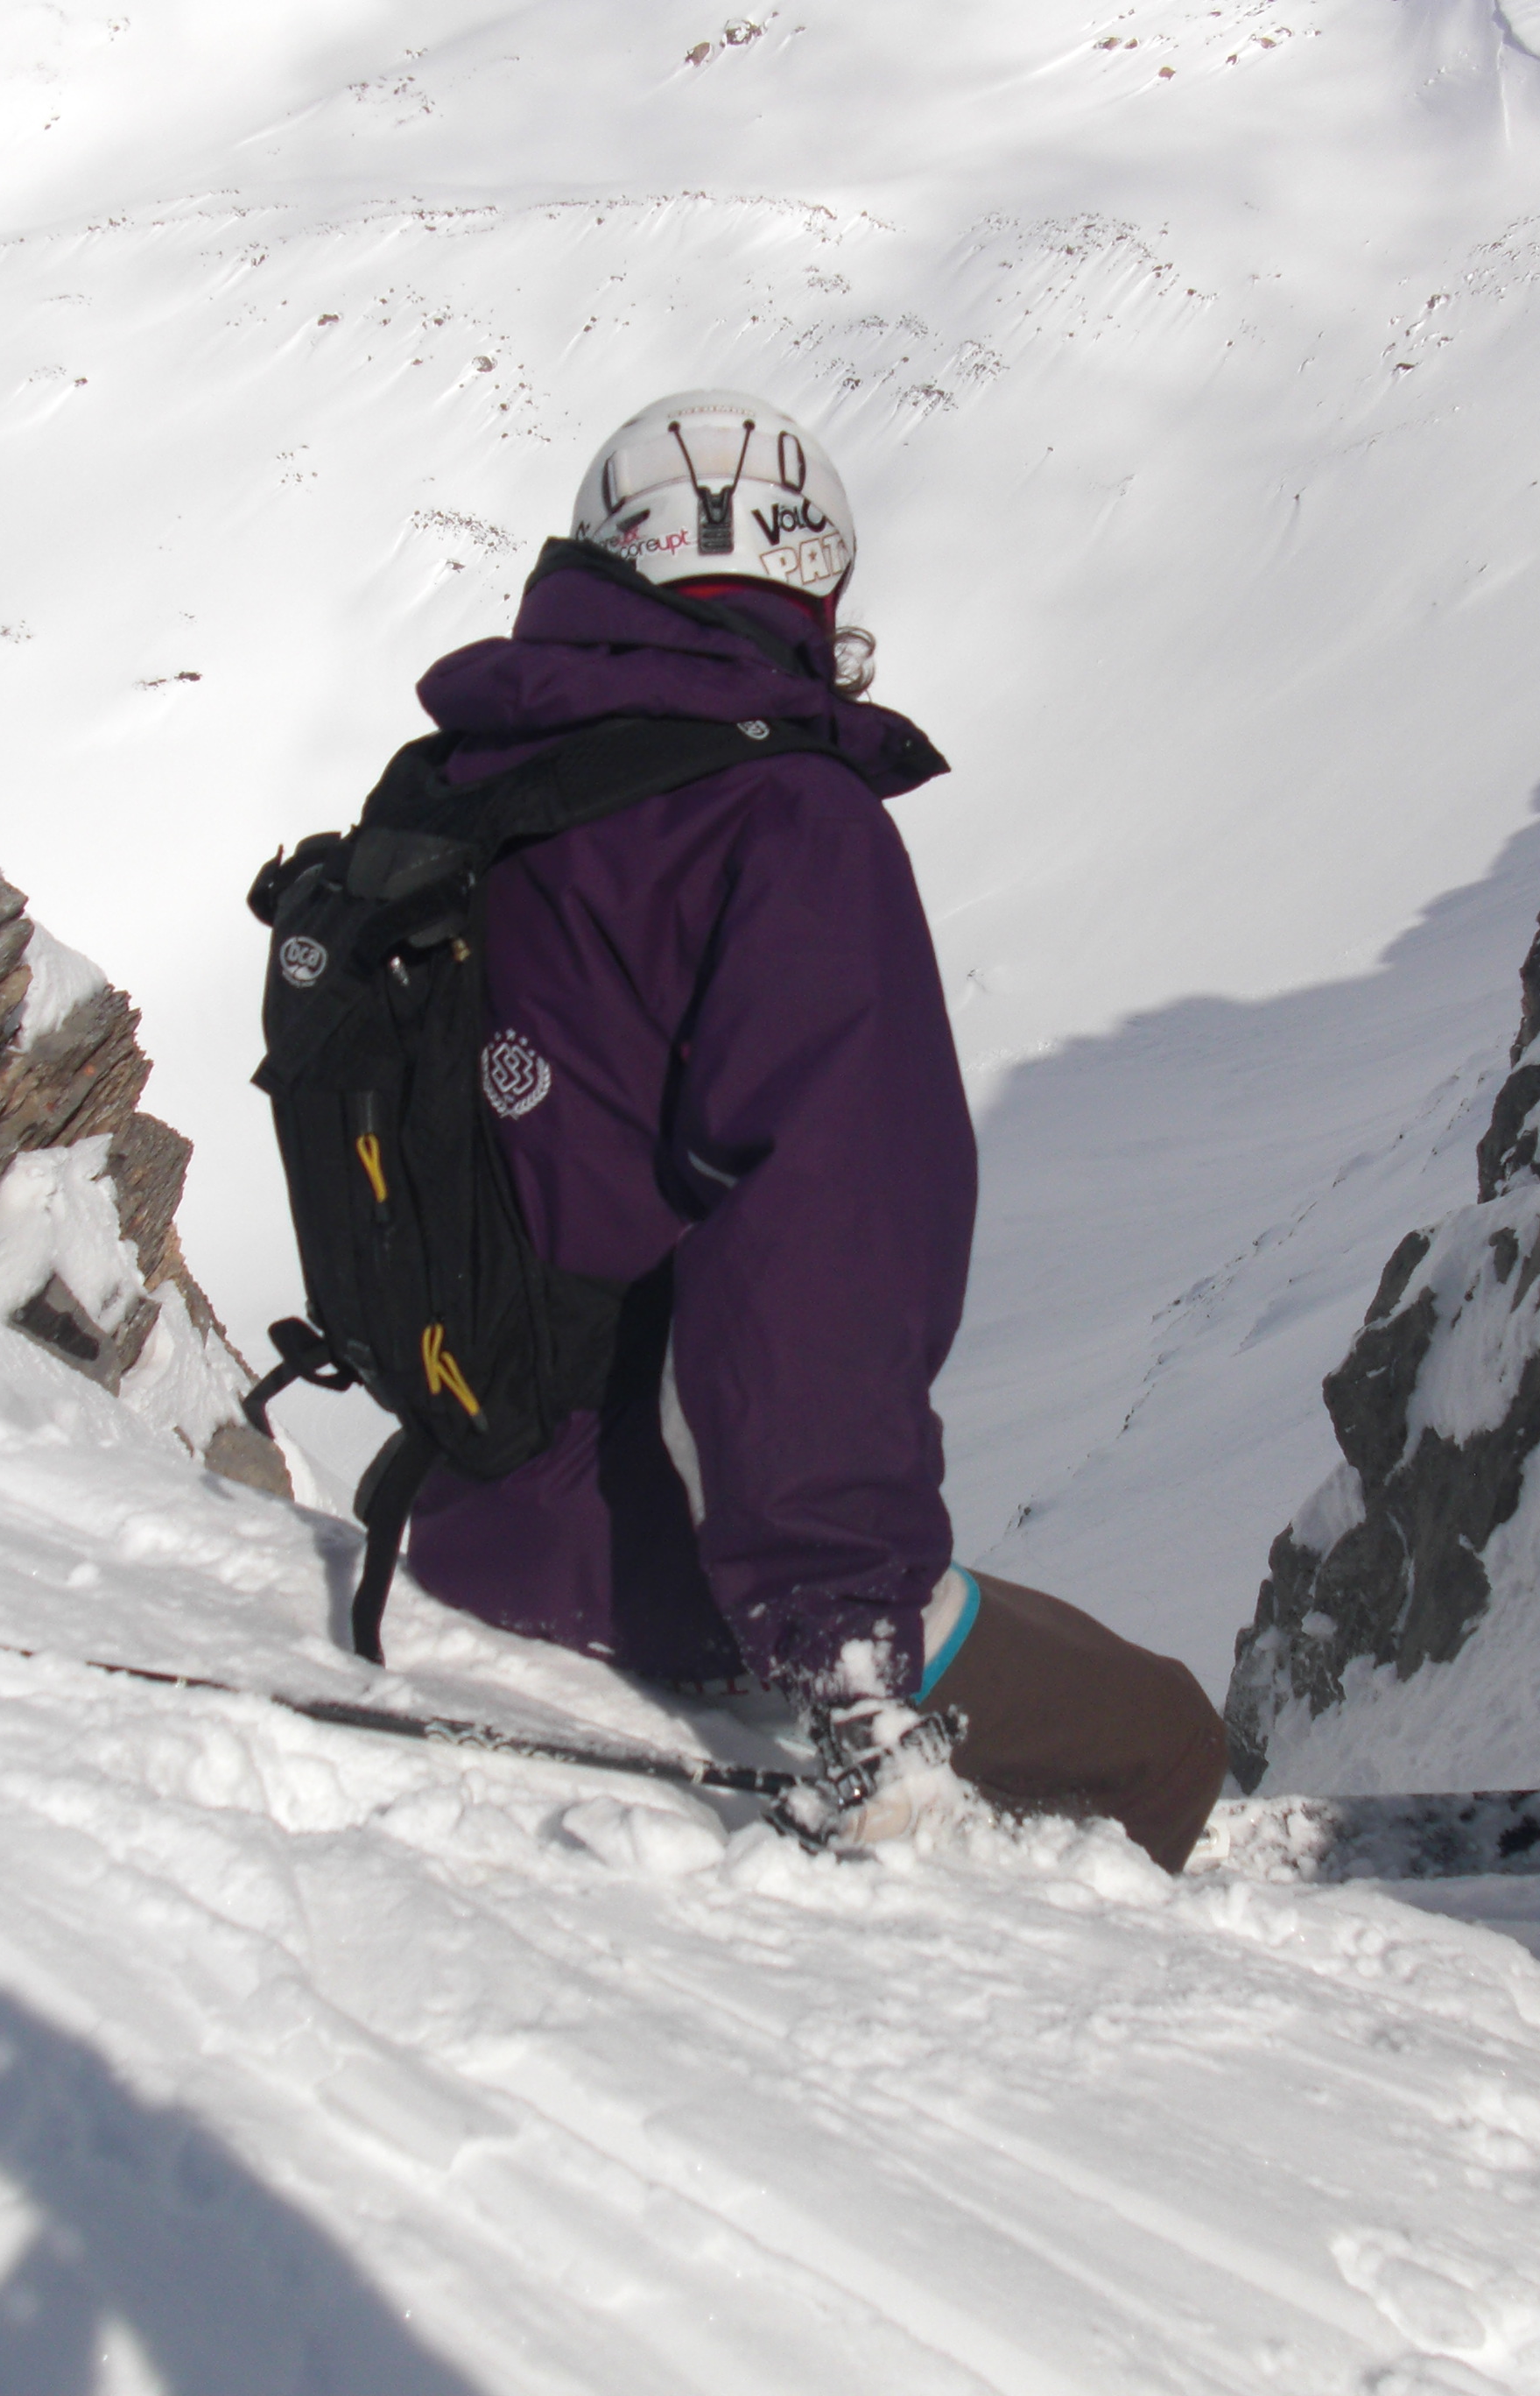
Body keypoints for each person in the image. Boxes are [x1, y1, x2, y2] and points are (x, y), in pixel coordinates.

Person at [392, 389, 1227, 1871]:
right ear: (820, 586)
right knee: (1165, 1739)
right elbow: (821, 1238)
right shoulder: (787, 821)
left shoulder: (465, 793)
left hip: (466, 1517)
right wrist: (844, 1643)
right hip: (672, 1578)